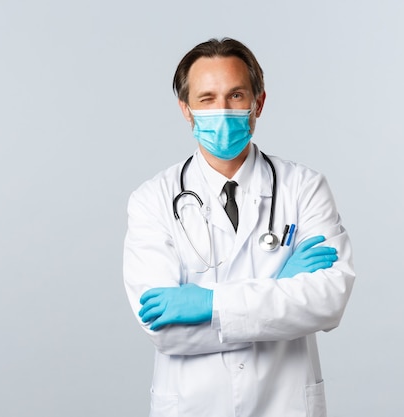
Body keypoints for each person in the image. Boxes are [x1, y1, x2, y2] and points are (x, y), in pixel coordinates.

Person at [123, 37, 355, 417]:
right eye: (207, 99)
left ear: (258, 103)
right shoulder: (152, 199)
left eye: (235, 95)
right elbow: (165, 331)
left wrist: (210, 304)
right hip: (194, 406)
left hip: (284, 404)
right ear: (186, 110)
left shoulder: (304, 187)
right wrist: (278, 288)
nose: (222, 110)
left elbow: (328, 300)